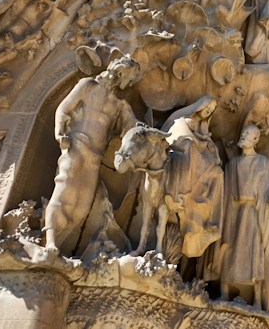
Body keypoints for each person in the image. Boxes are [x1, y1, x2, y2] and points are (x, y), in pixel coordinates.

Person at [43, 56, 140, 253]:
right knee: (64, 191)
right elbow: (64, 108)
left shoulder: (120, 105)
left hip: (95, 156)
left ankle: (62, 247)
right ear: (120, 72)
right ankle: (49, 242)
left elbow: (132, 131)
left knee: (83, 206)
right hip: (77, 144)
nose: (129, 84)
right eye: (130, 78)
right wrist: (59, 132)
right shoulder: (88, 85)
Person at [218, 125, 269, 309]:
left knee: (255, 253)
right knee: (228, 250)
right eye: (243, 133)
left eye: (247, 135)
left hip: (253, 213)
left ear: (256, 140)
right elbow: (225, 192)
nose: (243, 136)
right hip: (234, 213)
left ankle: (257, 299)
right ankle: (223, 293)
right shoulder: (232, 164)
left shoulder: (262, 163)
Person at [161, 96, 224, 258]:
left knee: (218, 172)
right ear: (199, 106)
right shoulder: (185, 119)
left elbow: (206, 144)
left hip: (198, 159)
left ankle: (206, 202)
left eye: (210, 111)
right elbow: (177, 132)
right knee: (189, 146)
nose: (207, 112)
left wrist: (207, 145)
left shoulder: (203, 127)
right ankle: (185, 192)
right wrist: (198, 142)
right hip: (183, 151)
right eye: (206, 108)